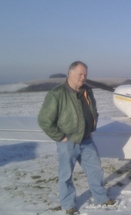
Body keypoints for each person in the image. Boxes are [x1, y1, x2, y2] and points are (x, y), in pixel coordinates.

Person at [38, 61, 114, 215]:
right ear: (70, 73)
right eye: (80, 74)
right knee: (65, 175)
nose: (83, 77)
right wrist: (60, 136)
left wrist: (92, 127)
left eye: (85, 74)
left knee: (95, 171)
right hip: (68, 142)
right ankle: (68, 204)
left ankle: (101, 197)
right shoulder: (57, 93)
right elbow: (44, 120)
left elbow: (93, 111)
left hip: (87, 140)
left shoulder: (87, 90)